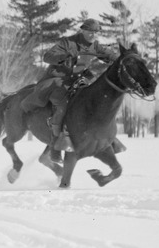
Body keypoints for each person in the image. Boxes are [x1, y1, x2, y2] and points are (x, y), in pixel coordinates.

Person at [21, 18, 118, 167]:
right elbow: (47, 56)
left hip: (79, 81)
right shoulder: (68, 43)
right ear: (82, 30)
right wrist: (64, 57)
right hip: (58, 80)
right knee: (62, 104)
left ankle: (108, 139)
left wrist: (125, 59)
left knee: (96, 100)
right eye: (89, 32)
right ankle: (55, 146)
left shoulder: (95, 46)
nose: (92, 35)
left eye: (95, 33)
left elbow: (111, 56)